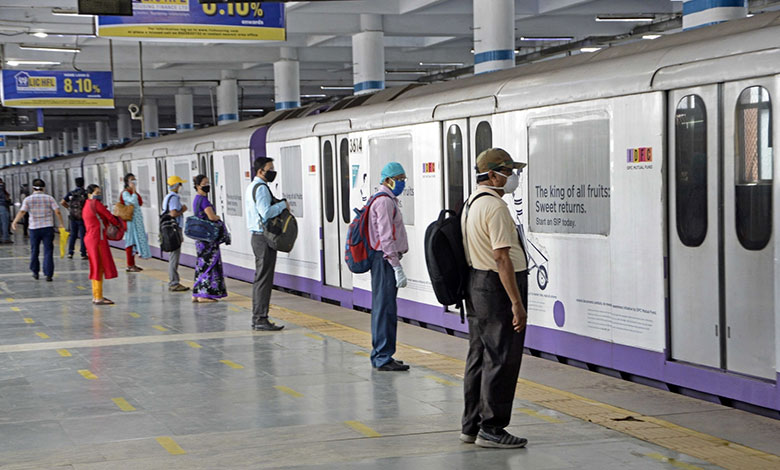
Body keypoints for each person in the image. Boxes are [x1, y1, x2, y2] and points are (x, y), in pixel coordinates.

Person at [460, 148, 529, 449]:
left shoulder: (471, 203)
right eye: (508, 172)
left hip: (477, 285)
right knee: (502, 357)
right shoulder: (495, 207)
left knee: (479, 356)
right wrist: (516, 302)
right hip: (497, 289)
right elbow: (502, 258)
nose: (512, 177)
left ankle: (471, 426)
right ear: (492, 175)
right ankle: (492, 427)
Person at [366, 162, 410, 371]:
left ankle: (383, 354)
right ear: (388, 179)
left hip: (383, 260)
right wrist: (396, 265)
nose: (402, 182)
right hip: (384, 261)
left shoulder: (386, 199)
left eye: (403, 179)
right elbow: (385, 237)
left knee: (385, 308)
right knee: (385, 309)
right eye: (399, 178)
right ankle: (383, 357)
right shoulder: (384, 202)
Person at [245, 157, 286, 331]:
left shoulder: (252, 187)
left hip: (257, 237)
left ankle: (259, 317)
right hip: (264, 238)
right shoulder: (261, 189)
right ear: (260, 171)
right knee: (263, 279)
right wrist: (282, 205)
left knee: (261, 277)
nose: (273, 171)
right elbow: (266, 212)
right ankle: (260, 318)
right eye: (270, 168)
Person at [11, 179, 65, 282]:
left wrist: (14, 222)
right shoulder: (49, 198)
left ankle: (35, 272)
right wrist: (61, 223)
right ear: (44, 188)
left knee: (34, 250)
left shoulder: (28, 199)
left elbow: (22, 212)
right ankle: (48, 274)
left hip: (34, 228)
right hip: (47, 227)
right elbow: (57, 211)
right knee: (48, 251)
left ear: (33, 188)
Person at [191, 174, 227, 303]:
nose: (207, 186)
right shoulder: (204, 200)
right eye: (204, 184)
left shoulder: (196, 199)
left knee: (201, 264)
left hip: (200, 238)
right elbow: (211, 217)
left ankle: (196, 293)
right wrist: (218, 217)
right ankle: (204, 295)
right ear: (197, 186)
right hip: (208, 238)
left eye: (208, 183)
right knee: (210, 264)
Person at [82, 184, 120, 305]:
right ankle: (98, 297)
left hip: (90, 238)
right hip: (98, 238)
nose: (99, 195)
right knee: (99, 267)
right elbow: (110, 217)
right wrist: (119, 224)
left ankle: (96, 295)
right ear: (89, 194)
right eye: (97, 193)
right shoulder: (96, 204)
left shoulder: (87, 204)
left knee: (95, 266)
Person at [162, 175, 189, 292]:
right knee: (174, 256)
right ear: (177, 185)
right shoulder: (174, 198)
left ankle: (174, 281)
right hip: (174, 229)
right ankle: (174, 282)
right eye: (180, 184)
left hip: (169, 229)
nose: (181, 187)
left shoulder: (167, 197)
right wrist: (182, 210)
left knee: (173, 256)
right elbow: (173, 213)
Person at [121, 173, 150, 272]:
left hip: (136, 220)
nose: (134, 182)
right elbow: (132, 202)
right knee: (130, 242)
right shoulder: (125, 193)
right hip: (129, 221)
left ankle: (133, 264)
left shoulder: (133, 192)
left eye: (134, 180)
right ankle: (129, 265)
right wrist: (133, 192)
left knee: (134, 242)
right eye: (131, 180)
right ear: (127, 182)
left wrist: (135, 192)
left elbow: (140, 202)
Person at [60, 177, 88, 259]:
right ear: (83, 183)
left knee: (73, 235)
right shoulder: (85, 193)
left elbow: (62, 202)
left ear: (75, 183)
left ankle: (70, 252)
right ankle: (83, 253)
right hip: (82, 217)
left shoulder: (71, 193)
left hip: (72, 217)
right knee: (83, 235)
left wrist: (69, 208)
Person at [0, 178, 11, 243]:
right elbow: (5, 198)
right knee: (5, 223)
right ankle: (6, 238)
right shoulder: (1, 188)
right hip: (2, 206)